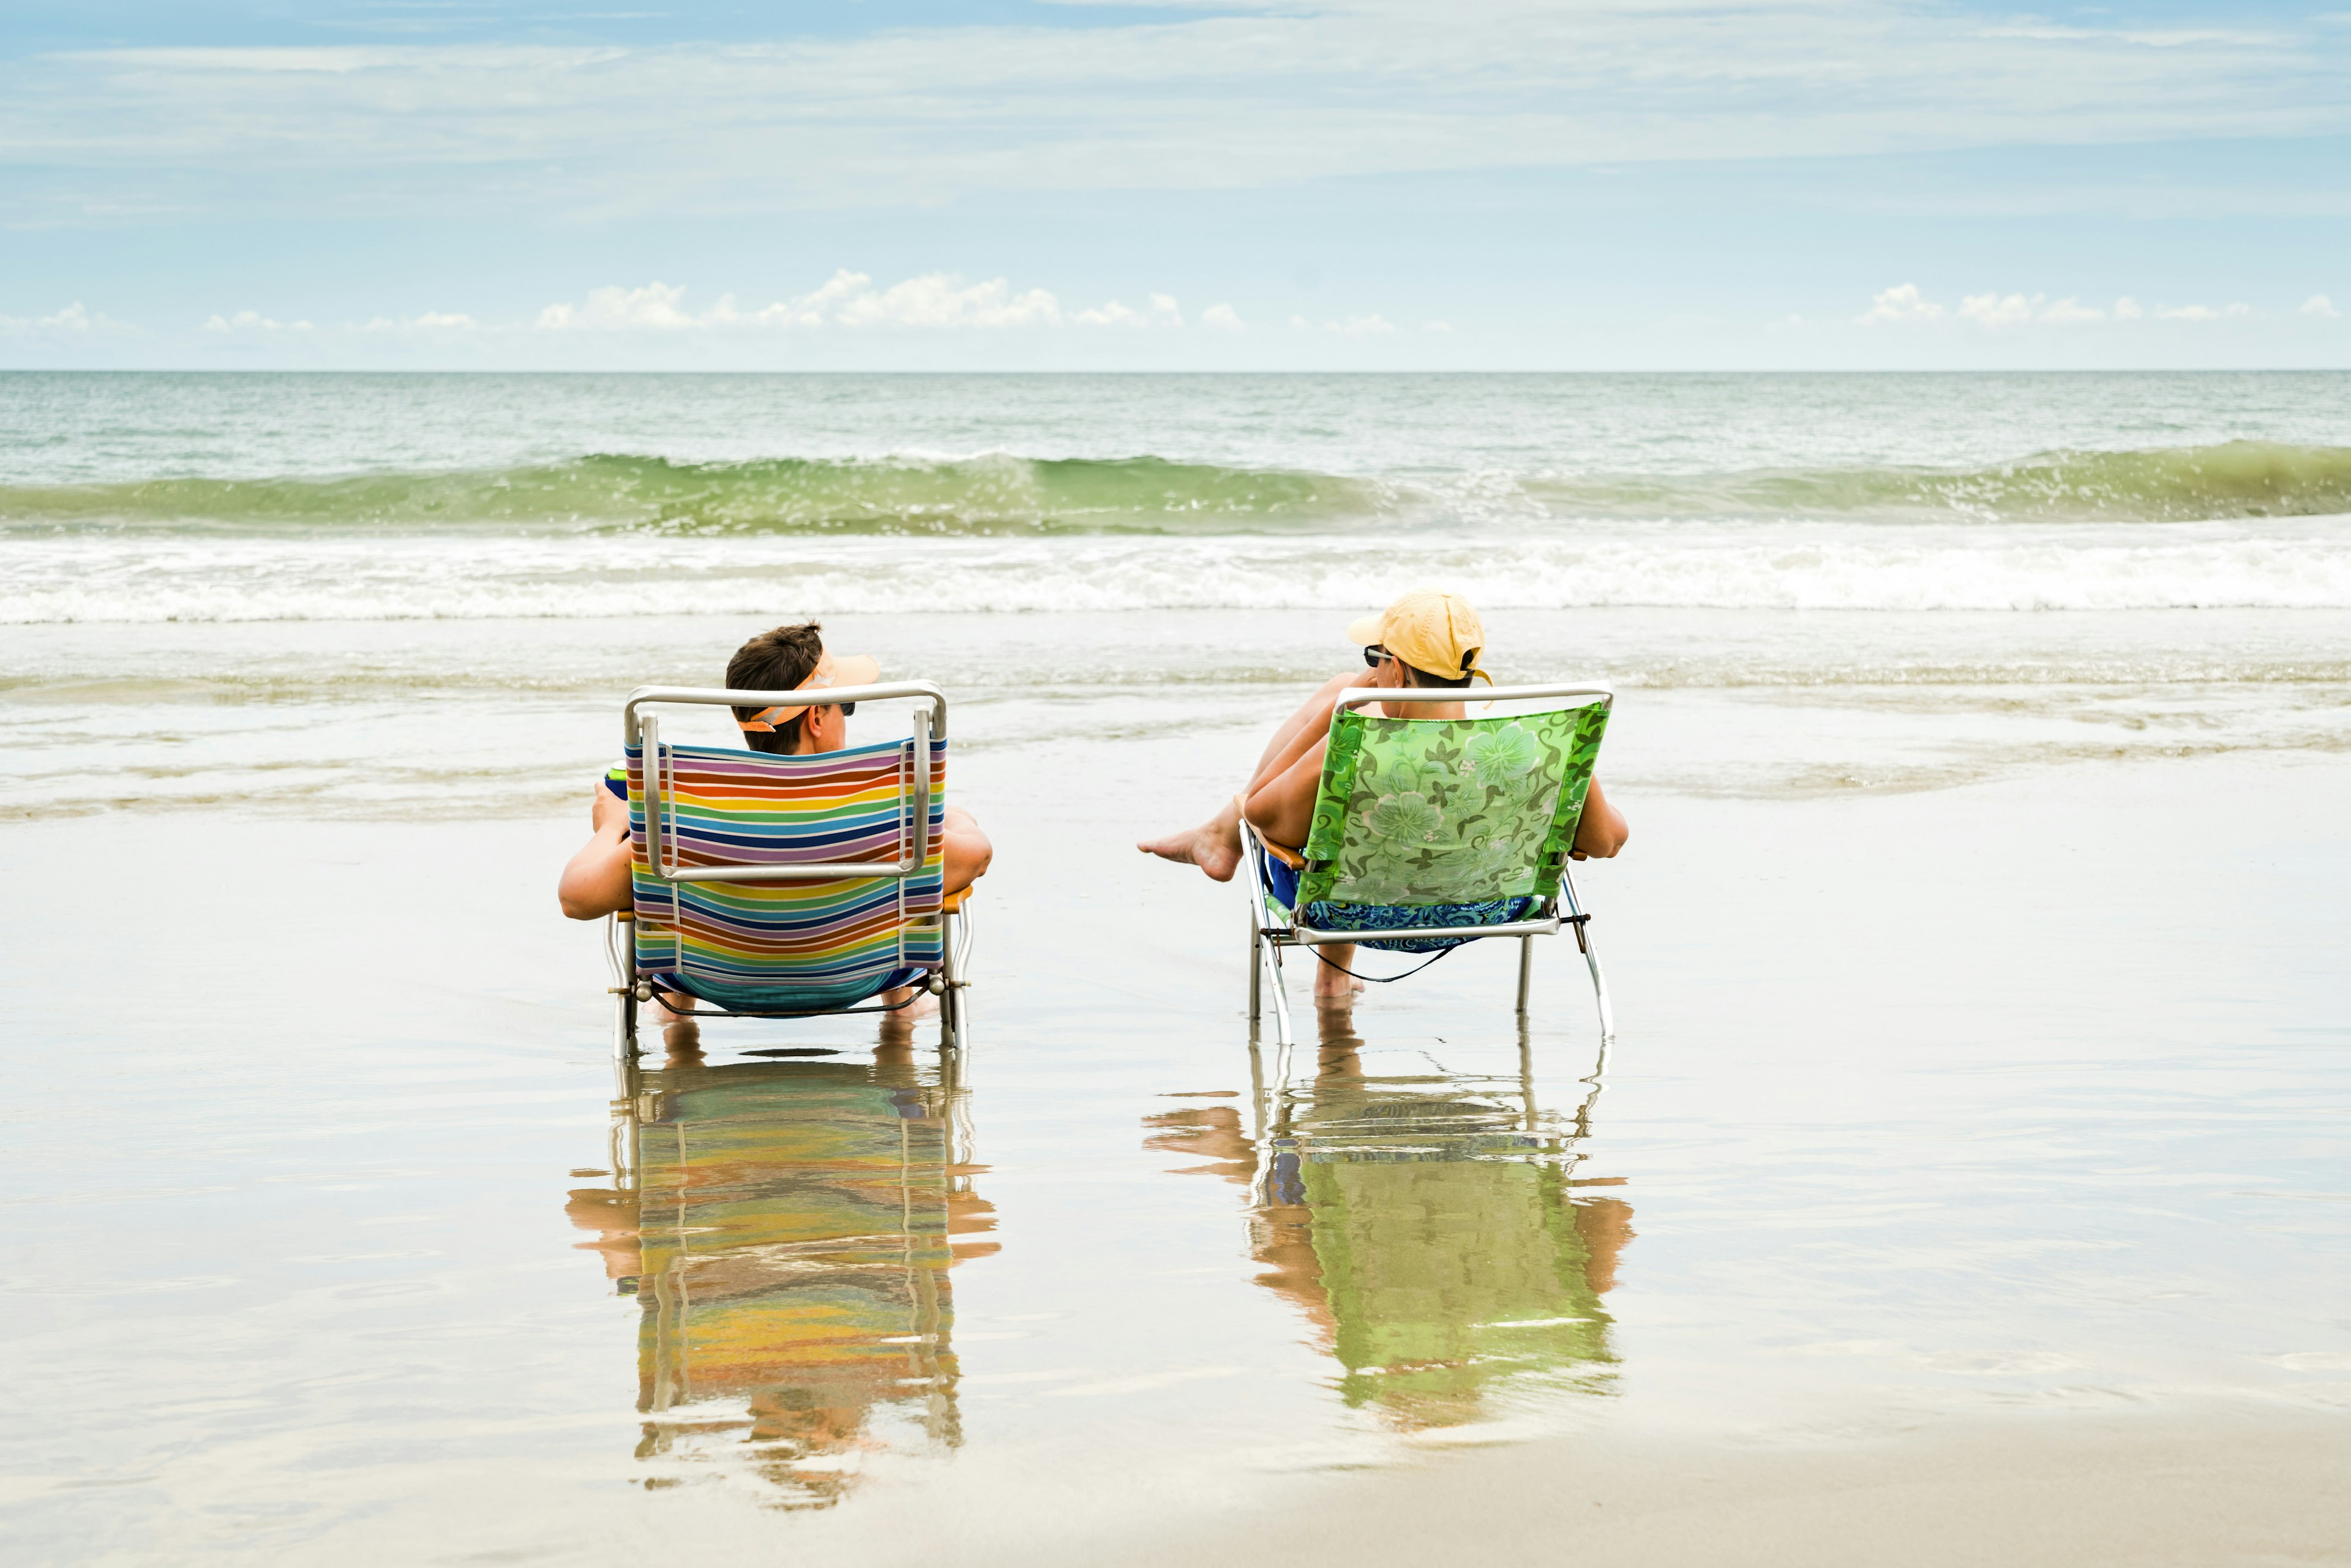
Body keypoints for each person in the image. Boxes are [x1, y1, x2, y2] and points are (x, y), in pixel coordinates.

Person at [1137, 590, 1627, 1000]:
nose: (1370, 672)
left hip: (1352, 912)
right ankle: (1329, 975)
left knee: (1327, 811)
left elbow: (1263, 817)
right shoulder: (1533, 751)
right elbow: (1608, 841)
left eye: (1375, 660)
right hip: (1493, 909)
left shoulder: (1354, 749)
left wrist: (1335, 713)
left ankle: (1221, 840)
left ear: (1394, 670)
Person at [557, 622, 994, 1011]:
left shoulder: (684, 815)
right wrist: (953, 816)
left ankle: (680, 1039)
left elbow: (575, 898)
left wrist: (613, 824)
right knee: (900, 887)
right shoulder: (884, 813)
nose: (847, 717)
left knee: (669, 897)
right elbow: (976, 856)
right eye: (847, 706)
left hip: (709, 978)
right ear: (818, 716)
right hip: (861, 975)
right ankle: (898, 1035)